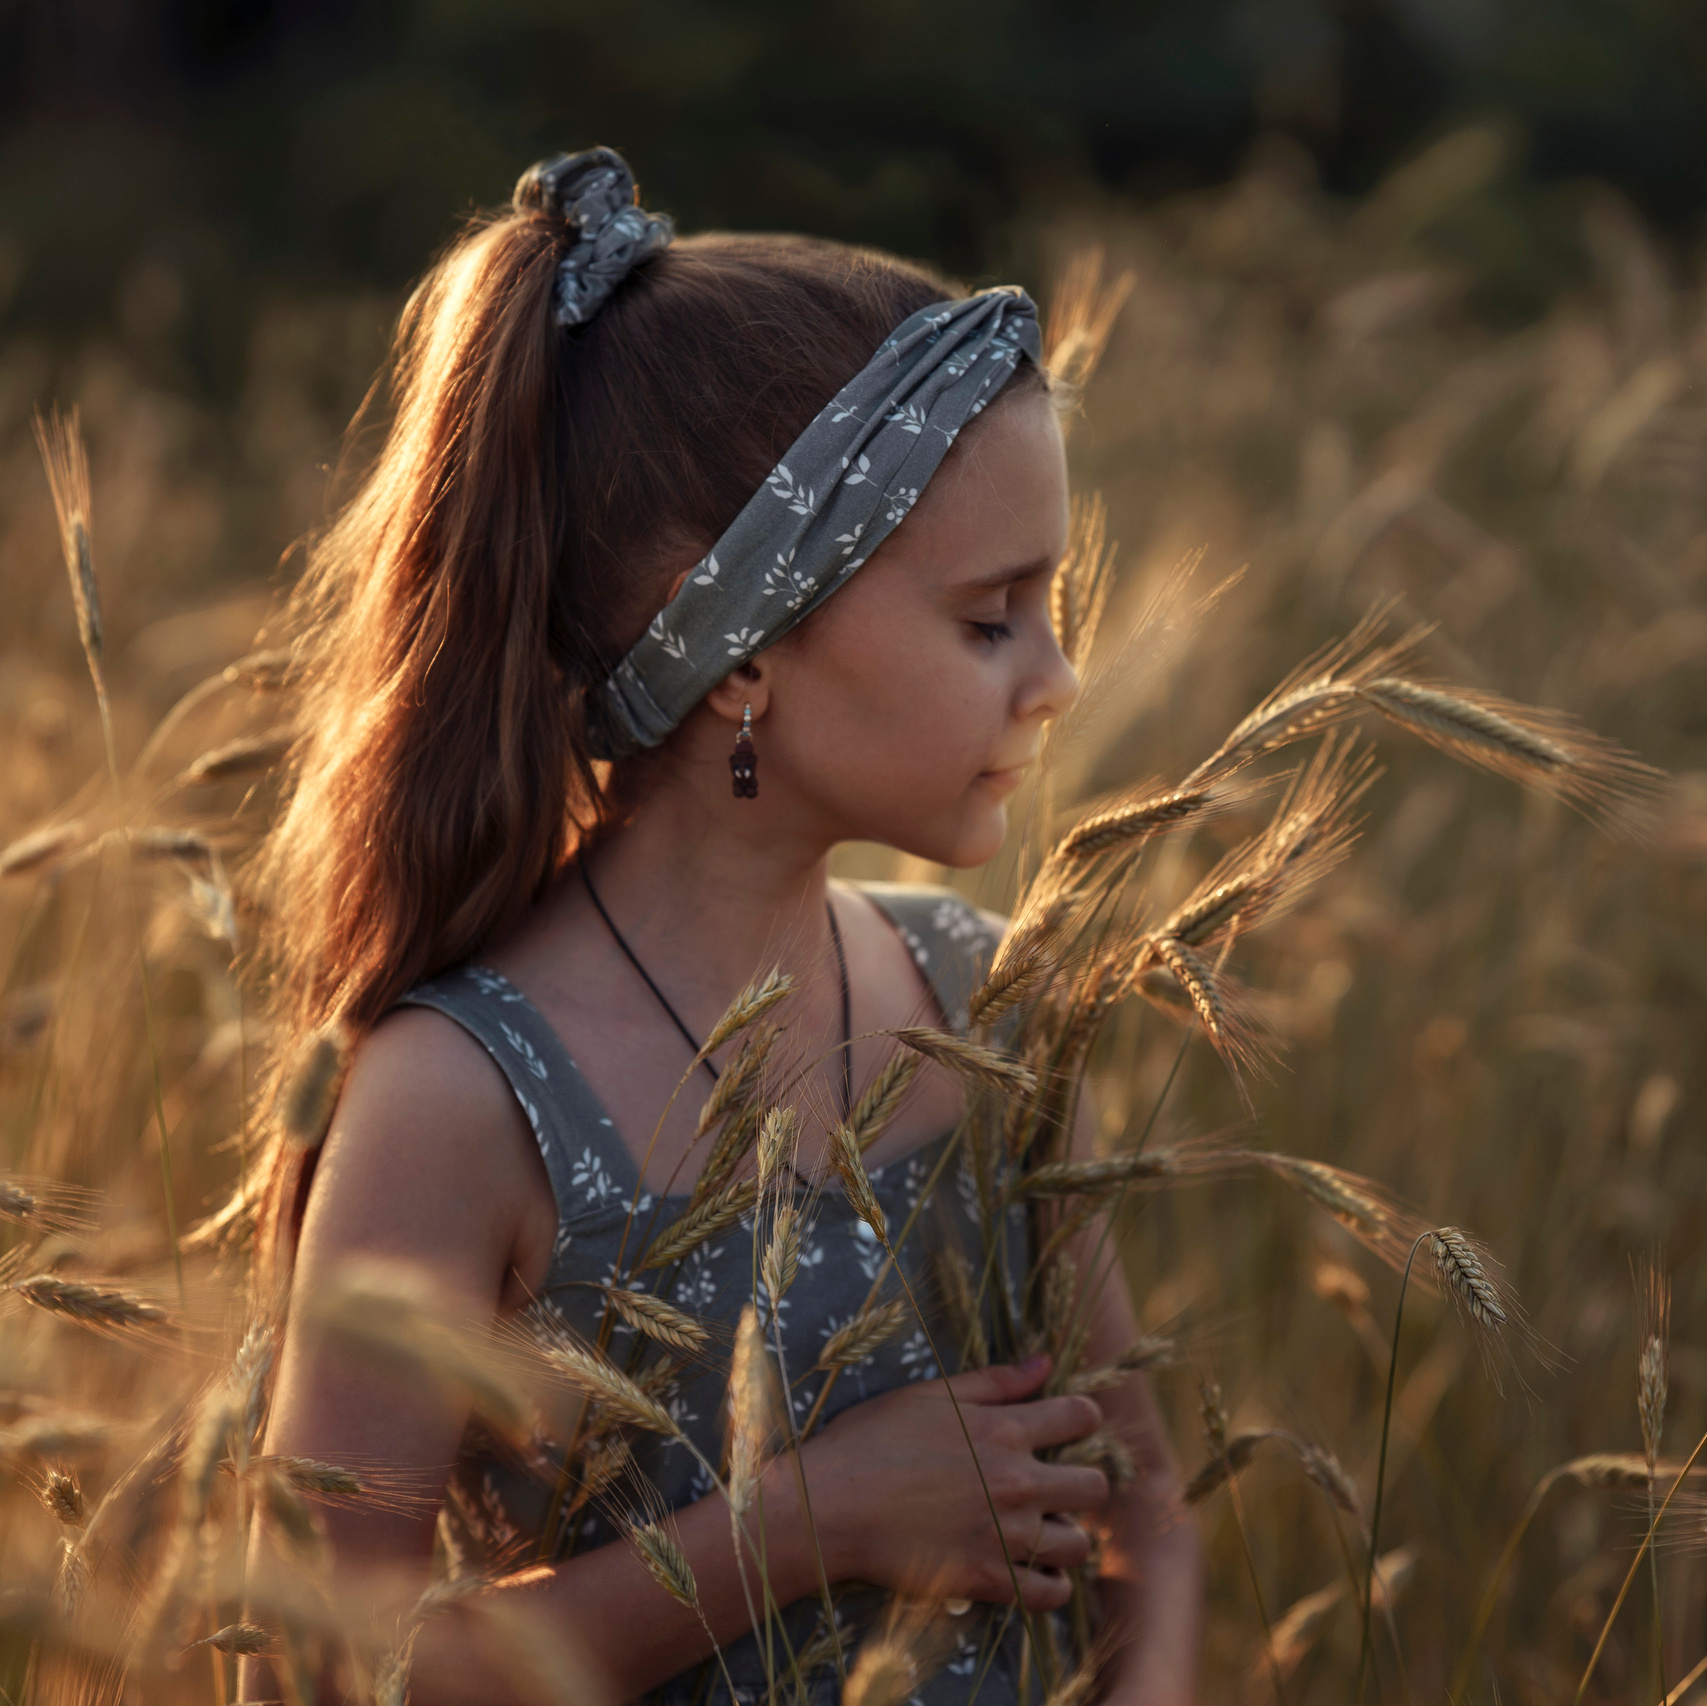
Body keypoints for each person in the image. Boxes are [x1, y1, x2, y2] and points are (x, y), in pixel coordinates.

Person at [251, 146, 1201, 1706]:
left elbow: (1146, 1512)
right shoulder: (465, 1100)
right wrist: (815, 1517)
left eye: (1058, 606)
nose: (1060, 679)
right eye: (988, 618)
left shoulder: (992, 1011)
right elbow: (319, 1660)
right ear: (740, 644)